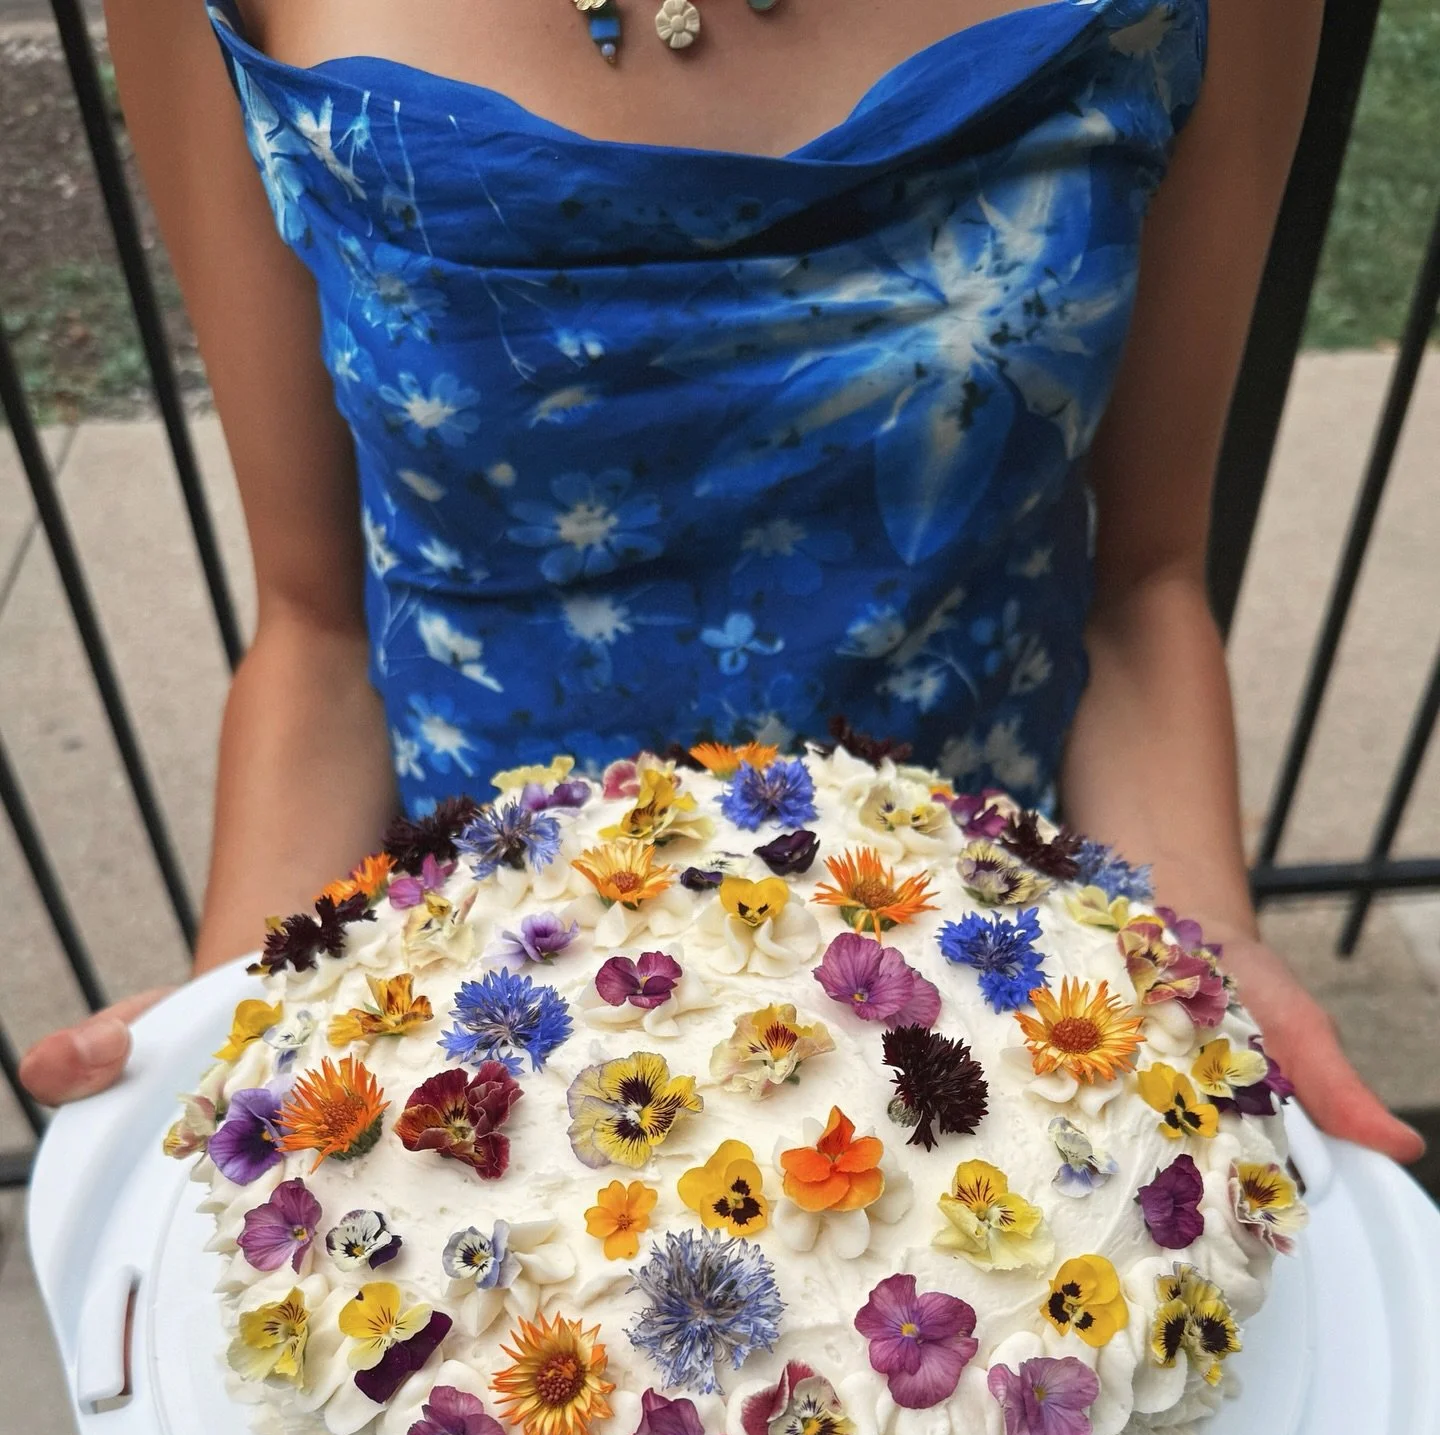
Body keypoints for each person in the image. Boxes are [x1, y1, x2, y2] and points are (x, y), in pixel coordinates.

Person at [18, 0, 1424, 1164]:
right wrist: (242, 1028)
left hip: (986, 1003)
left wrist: (1195, 957)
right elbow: (319, 631)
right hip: (471, 1034)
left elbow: (1143, 589)